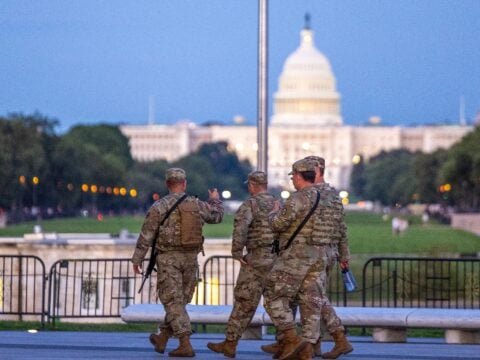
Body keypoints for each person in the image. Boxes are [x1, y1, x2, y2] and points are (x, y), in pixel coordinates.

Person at [131, 167, 223, 357]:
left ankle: (185, 343)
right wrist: (214, 199)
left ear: (167, 184)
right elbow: (216, 217)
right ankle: (163, 337)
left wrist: (137, 259)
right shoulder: (196, 204)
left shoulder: (159, 206)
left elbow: (146, 235)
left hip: (168, 259)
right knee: (178, 301)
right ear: (184, 183)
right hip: (191, 259)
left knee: (173, 302)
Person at [263, 159, 329, 360]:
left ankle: (291, 338)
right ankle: (307, 350)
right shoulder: (323, 197)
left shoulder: (296, 199)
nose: (292, 181)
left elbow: (278, 225)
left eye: (293, 177)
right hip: (318, 256)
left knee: (272, 295)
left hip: (295, 257)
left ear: (299, 177)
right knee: (310, 303)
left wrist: (273, 212)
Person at [207, 170, 277, 358]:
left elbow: (240, 230)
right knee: (278, 302)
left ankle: (230, 343)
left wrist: (237, 253)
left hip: (255, 260)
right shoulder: (279, 204)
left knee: (244, 301)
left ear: (251, 185)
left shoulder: (250, 205)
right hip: (277, 259)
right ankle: (288, 339)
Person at [305, 155, 353, 359]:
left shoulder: (311, 194)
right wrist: (344, 254)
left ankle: (340, 338)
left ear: (316, 169)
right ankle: (313, 344)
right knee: (313, 297)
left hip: (314, 252)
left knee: (315, 297)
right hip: (331, 252)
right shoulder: (334, 195)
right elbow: (341, 228)